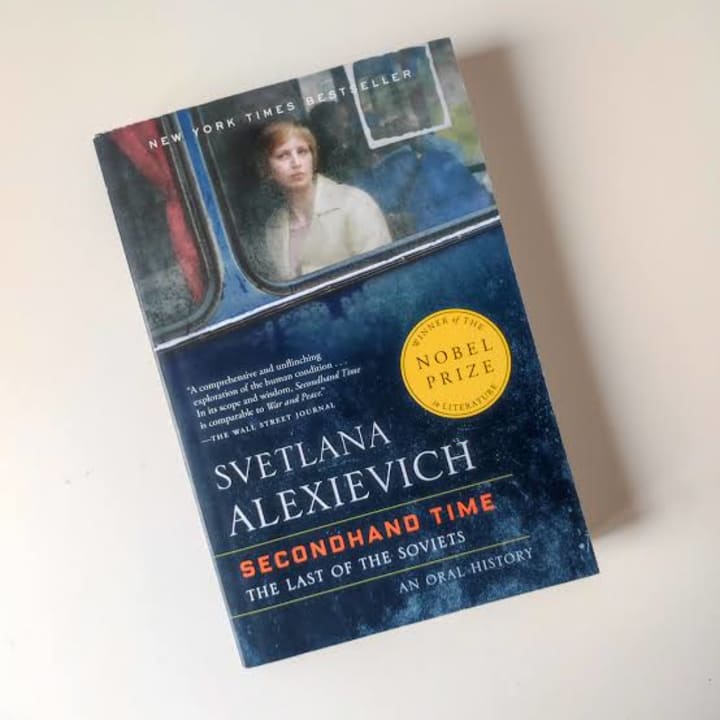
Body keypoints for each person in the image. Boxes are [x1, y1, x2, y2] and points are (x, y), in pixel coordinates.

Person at [256, 119, 391, 281]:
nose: (296, 163)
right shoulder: (274, 225)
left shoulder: (355, 204)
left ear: (313, 158)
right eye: (283, 155)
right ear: (267, 168)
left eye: (302, 152)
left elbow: (381, 278)